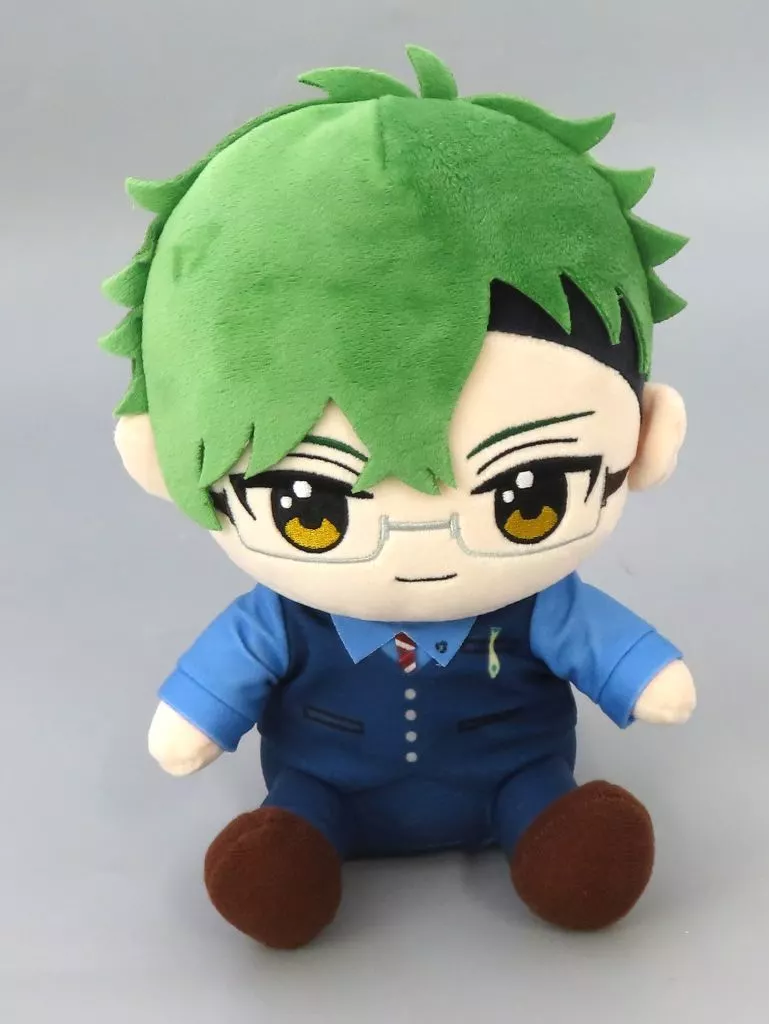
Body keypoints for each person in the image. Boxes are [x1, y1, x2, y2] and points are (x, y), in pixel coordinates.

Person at [103, 45, 696, 949]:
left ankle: (543, 825)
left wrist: (649, 680)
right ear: (161, 459)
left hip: (518, 775)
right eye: (311, 509)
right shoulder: (283, 623)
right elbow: (202, 706)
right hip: (322, 784)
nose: (421, 538)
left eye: (526, 496)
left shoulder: (540, 607)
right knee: (279, 859)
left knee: (573, 847)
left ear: (644, 440)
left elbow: (628, 664)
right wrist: (193, 723)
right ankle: (301, 841)